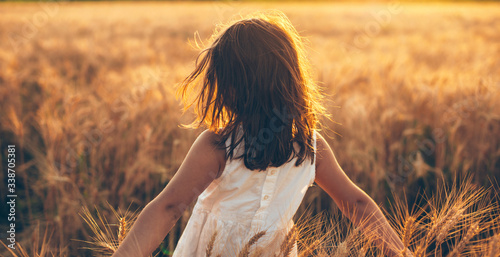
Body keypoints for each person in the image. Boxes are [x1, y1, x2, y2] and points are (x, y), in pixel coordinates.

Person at [112, 11, 410, 257]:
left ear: (232, 89)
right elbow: (356, 204)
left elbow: (169, 206)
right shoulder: (311, 148)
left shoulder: (218, 146)